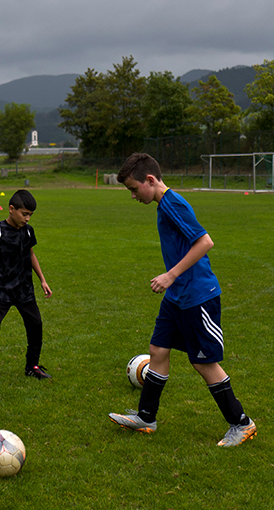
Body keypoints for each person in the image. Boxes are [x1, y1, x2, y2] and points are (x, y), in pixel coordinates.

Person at [109, 152, 256, 447]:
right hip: (177, 298)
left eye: (134, 189)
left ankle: (242, 423)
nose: (134, 196)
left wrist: (170, 275)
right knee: (158, 350)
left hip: (197, 296)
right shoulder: (163, 206)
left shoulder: (173, 204)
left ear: (150, 180)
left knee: (204, 364)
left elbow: (205, 241)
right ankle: (146, 417)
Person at [0, 189, 52, 385]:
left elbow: (31, 254)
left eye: (30, 215)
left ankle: (32, 366)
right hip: (0, 290)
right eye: (24, 214)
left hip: (24, 289)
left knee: (36, 325)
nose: (27, 218)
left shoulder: (28, 231)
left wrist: (42, 279)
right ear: (11, 209)